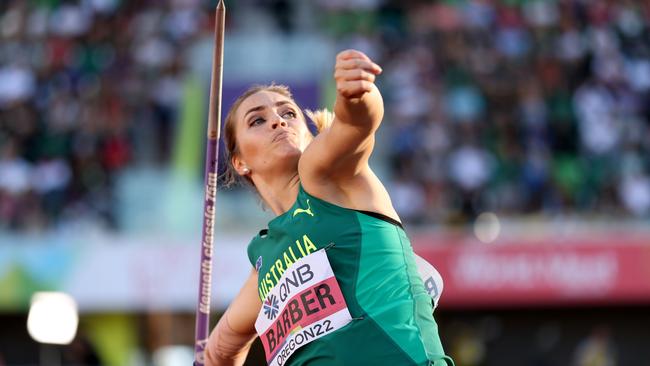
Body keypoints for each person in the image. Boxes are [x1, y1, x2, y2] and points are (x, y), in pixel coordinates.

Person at [205, 49, 453, 366]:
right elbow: (219, 350)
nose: (278, 121)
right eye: (258, 120)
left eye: (289, 114)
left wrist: (358, 92)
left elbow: (357, 124)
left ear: (312, 137)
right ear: (239, 162)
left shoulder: (328, 176)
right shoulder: (265, 260)